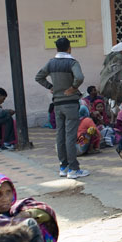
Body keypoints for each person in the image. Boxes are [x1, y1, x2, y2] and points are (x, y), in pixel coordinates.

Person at [35, 37, 87, 179]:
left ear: (56, 48)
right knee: (70, 136)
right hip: (70, 103)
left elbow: (39, 77)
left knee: (60, 135)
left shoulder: (51, 63)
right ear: (69, 48)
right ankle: (74, 169)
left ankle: (63, 166)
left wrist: (51, 87)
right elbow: (79, 77)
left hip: (57, 104)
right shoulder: (72, 62)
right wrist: (73, 88)